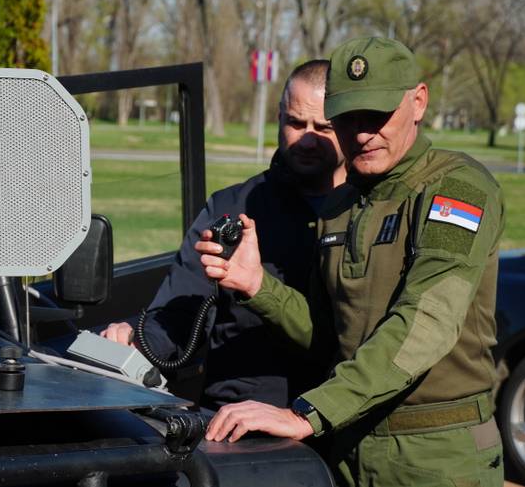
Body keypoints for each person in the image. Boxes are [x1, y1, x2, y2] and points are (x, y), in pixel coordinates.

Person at [199, 37, 505, 487]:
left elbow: (427, 323)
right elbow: (330, 338)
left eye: (378, 116)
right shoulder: (339, 208)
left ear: (418, 101)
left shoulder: (455, 189)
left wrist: (308, 413)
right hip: (346, 450)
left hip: (435, 455)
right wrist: (259, 286)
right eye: (348, 119)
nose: (362, 134)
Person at [101, 59, 346, 409]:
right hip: (236, 413)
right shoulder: (231, 207)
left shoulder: (368, 209)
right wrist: (135, 339)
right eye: (295, 123)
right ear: (278, 118)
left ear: (348, 127)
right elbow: (179, 311)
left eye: (323, 128)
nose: (307, 138)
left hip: (332, 413)